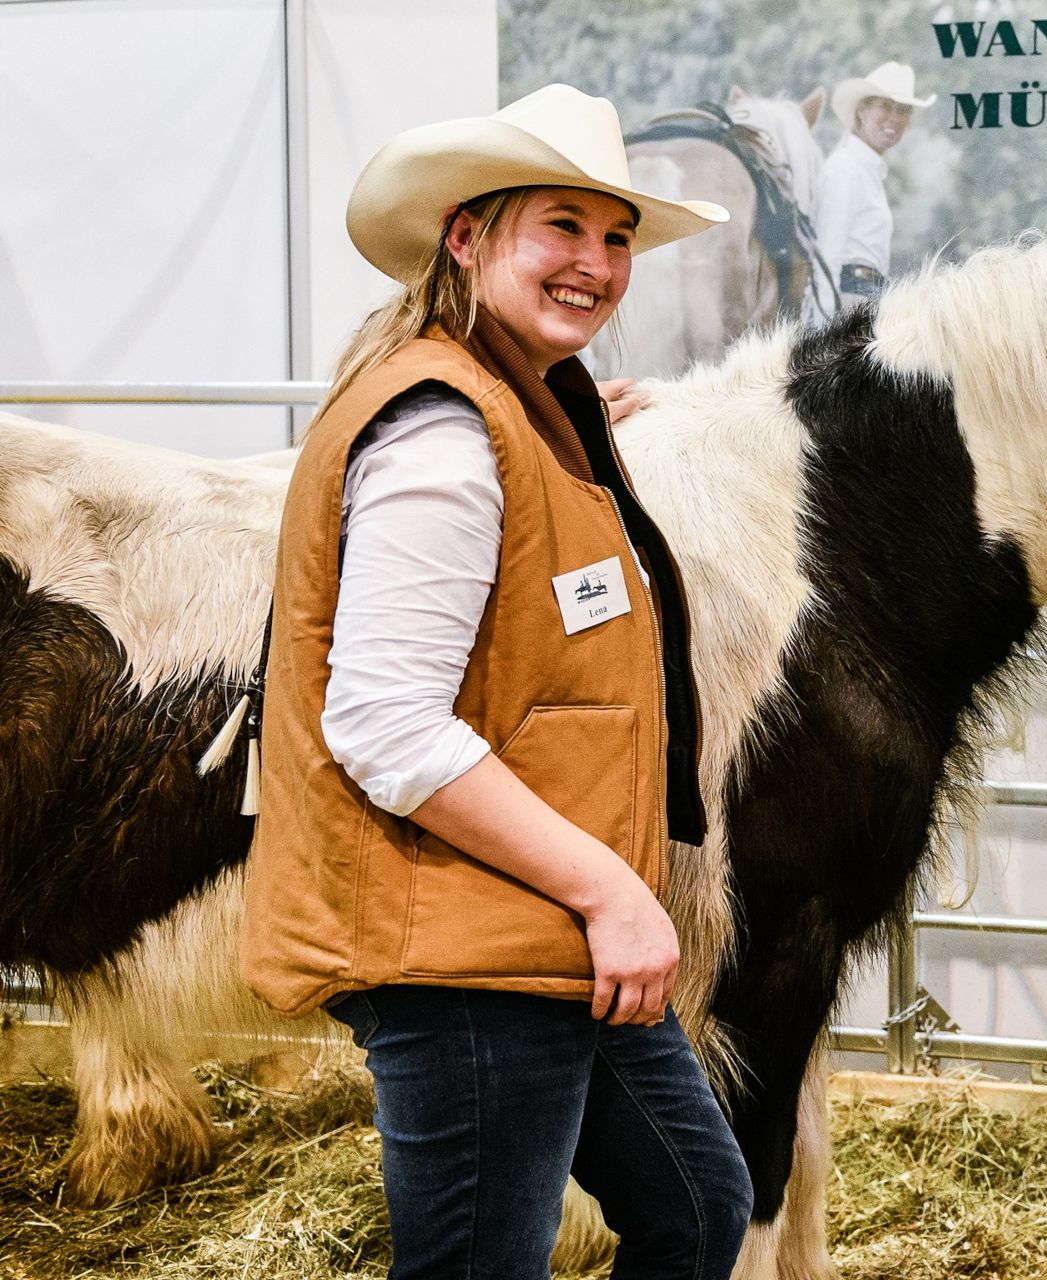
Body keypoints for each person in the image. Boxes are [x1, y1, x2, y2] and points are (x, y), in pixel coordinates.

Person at [238, 84, 752, 1280]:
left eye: (616, 235)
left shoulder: (518, 406)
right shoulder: (443, 434)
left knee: (697, 1203)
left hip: (540, 931)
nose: (597, 262)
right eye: (561, 227)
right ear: (467, 237)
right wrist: (615, 892)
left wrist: (573, 429)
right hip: (468, 951)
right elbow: (385, 722)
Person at [809, 60, 935, 316]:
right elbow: (826, 257)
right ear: (862, 112)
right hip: (847, 298)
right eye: (885, 107)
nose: (893, 118)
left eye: (902, 111)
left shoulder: (869, 172)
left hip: (870, 297)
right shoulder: (845, 169)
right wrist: (821, 338)